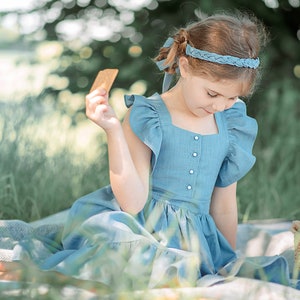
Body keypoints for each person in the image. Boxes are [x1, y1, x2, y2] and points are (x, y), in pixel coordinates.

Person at [0, 11, 299, 292]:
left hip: (191, 241)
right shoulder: (150, 116)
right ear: (184, 66)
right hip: (138, 228)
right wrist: (113, 131)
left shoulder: (232, 124)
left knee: (184, 269)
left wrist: (228, 260)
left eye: (232, 97)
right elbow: (131, 203)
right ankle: (54, 276)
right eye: (212, 93)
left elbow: (223, 204)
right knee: (135, 257)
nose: (219, 105)